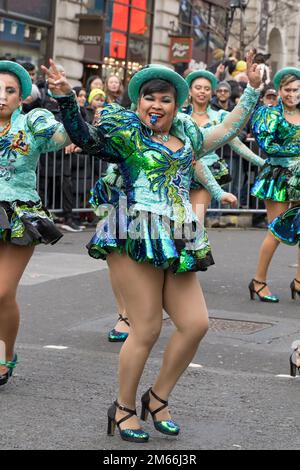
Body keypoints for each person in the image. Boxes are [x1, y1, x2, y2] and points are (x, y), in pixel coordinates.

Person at [43, 59, 261, 443]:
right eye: (149, 98)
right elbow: (86, 136)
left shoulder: (188, 136)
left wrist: (254, 92)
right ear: (139, 102)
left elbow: (225, 130)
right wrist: (64, 97)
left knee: (195, 325)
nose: (156, 105)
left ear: (176, 105)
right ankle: (124, 407)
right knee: (146, 328)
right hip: (133, 231)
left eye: (165, 99)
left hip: (177, 233)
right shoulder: (127, 135)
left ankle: (157, 398)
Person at [0, 61, 70, 386]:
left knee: (1, 292)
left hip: (19, 215)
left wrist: (66, 98)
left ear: (21, 97)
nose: (1, 96)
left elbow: (63, 135)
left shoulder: (33, 122)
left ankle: (6, 354)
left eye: (9, 91)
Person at [185, 69, 264, 226]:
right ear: (190, 91)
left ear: (211, 93)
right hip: (178, 173)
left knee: (194, 223)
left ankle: (194, 247)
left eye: (207, 89)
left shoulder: (219, 116)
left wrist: (262, 162)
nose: (202, 92)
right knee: (176, 224)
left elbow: (237, 144)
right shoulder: (179, 117)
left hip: (205, 175)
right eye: (198, 87)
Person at [249, 67, 300, 302]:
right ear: (279, 91)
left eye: (297, 89)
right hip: (278, 176)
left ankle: (299, 281)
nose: (292, 94)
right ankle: (258, 281)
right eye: (288, 89)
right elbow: (267, 146)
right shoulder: (270, 114)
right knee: (276, 231)